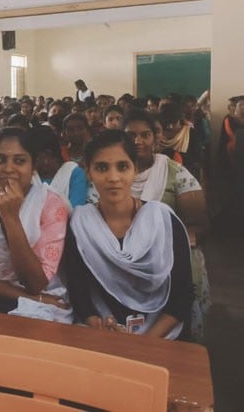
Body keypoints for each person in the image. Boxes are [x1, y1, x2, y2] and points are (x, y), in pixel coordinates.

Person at [63, 130, 193, 339]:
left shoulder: (162, 221)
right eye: (101, 167)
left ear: (135, 169)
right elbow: (79, 294)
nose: (113, 178)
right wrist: (97, 323)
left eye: (122, 167)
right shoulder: (81, 224)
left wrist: (143, 343)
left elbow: (182, 297)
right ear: (88, 172)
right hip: (104, 332)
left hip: (162, 336)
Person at [0, 128, 72, 322]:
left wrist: (11, 218)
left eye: (19, 161)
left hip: (47, 304)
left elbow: (35, 282)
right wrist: (31, 299)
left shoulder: (50, 204)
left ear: (34, 165)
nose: (8, 169)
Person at [121, 108, 210, 341]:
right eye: (130, 135)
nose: (138, 141)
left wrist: (170, 245)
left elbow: (198, 224)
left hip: (168, 260)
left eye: (145, 135)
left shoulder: (174, 173)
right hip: (120, 258)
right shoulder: (113, 172)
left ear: (156, 138)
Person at [30, 126, 87, 208]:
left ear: (55, 153)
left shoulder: (73, 173)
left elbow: (76, 210)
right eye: (37, 157)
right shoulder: (31, 177)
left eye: (47, 155)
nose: (44, 161)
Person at [158, 102, 203, 179]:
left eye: (173, 123)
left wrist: (175, 155)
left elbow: (197, 157)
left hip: (186, 172)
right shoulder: (157, 133)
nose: (170, 127)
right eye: (167, 123)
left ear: (179, 119)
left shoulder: (190, 133)